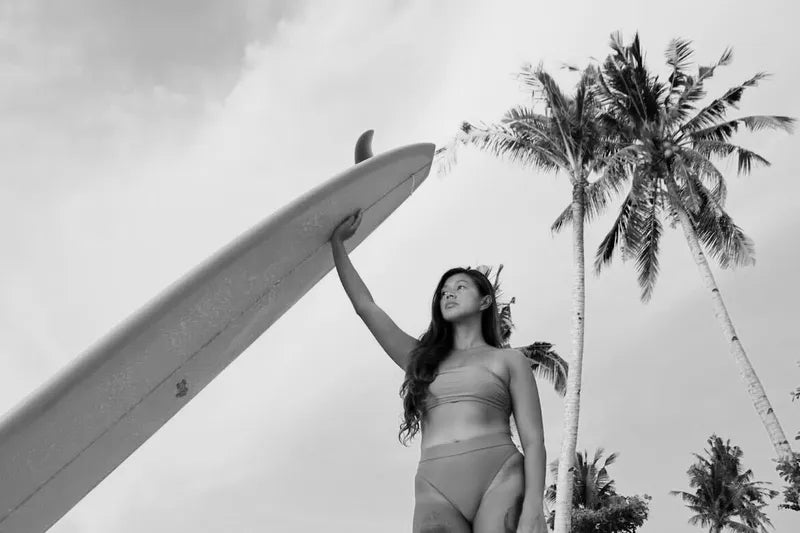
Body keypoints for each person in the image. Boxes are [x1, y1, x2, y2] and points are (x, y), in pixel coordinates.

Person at [330, 209, 547, 533]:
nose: (449, 292)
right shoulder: (421, 359)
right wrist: (338, 246)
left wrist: (532, 510)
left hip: (499, 475)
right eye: (445, 290)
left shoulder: (509, 361)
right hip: (435, 487)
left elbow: (534, 441)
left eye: (460, 287)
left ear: (486, 301)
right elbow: (366, 308)